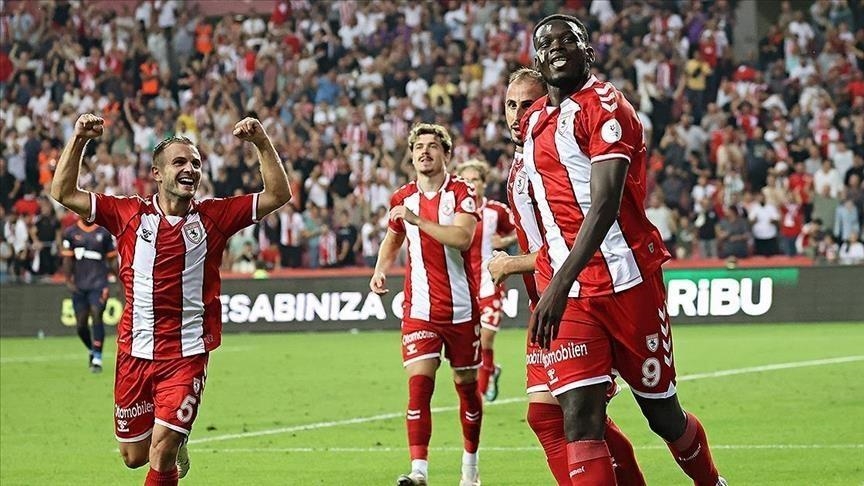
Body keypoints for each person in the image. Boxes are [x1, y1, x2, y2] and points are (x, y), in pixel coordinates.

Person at [524, 16, 725, 485]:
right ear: (537, 60)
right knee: (579, 417)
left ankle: (712, 482)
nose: (557, 48)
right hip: (572, 297)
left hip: (627, 281)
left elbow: (604, 206)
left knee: (663, 416)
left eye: (569, 40)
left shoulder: (607, 107)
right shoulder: (533, 122)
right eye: (547, 43)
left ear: (589, 52)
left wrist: (556, 284)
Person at [50, 113, 292, 486]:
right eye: (179, 162)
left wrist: (261, 142)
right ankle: (176, 439)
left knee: (161, 452)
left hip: (187, 353)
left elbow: (278, 195)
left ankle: (173, 438)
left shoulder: (215, 216)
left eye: (195, 163)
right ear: (158, 174)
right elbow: (64, 193)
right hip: (135, 350)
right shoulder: (128, 213)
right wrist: (79, 138)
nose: (190, 169)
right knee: (134, 456)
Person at [488, 67, 645, 485]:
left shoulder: (555, 156)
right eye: (510, 105)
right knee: (560, 418)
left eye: (527, 104)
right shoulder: (523, 160)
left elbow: (573, 237)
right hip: (545, 301)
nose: (518, 114)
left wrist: (510, 263)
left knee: (570, 417)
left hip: (579, 296)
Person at [370, 123, 483, 486]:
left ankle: (470, 468)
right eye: (419, 147)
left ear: (446, 153)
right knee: (419, 386)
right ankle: (419, 471)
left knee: (467, 387)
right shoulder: (402, 197)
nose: (425, 152)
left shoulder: (462, 192)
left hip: (461, 309)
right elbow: (393, 237)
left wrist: (417, 220)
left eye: (433, 146)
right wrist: (380, 269)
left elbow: (462, 237)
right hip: (419, 310)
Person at [454, 159, 516, 402]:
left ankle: (479, 396)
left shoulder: (496, 211)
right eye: (466, 180)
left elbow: (520, 228)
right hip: (462, 287)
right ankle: (490, 371)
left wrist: (507, 241)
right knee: (470, 343)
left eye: (475, 179)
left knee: (486, 337)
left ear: (484, 183)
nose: (471, 184)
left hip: (490, 284)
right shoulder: (453, 211)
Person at [61, 215, 118, 373]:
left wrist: (120, 280)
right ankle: (92, 349)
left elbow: (112, 260)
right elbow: (67, 259)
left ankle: (97, 358)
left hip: (99, 284)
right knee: (81, 325)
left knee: (96, 314)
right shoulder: (71, 232)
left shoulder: (103, 233)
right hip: (79, 285)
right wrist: (68, 280)